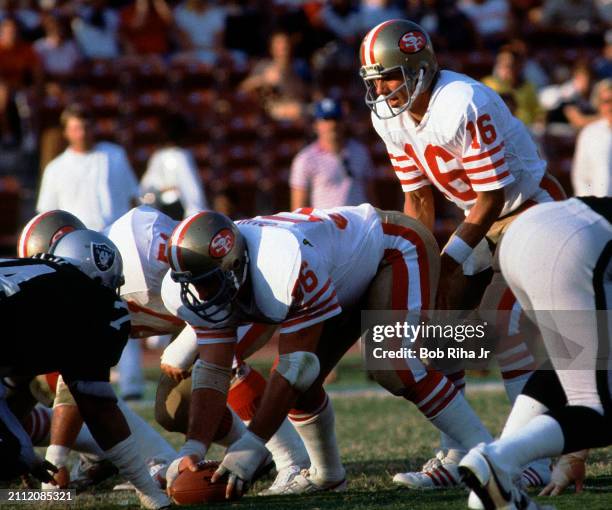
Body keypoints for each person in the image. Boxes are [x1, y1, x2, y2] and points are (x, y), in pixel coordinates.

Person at [162, 205, 496, 496]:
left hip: (391, 248)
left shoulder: (280, 263)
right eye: (191, 282)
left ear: (233, 263)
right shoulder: (217, 280)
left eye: (205, 281)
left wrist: (248, 447)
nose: (197, 292)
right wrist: (194, 447)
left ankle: (489, 455)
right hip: (339, 273)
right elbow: (214, 369)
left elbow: (294, 368)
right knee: (302, 386)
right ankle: (327, 475)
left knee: (392, 366)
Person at [359, 19, 565, 487]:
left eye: (387, 76)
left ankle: (533, 458)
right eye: (373, 81)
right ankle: (458, 449)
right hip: (479, 217)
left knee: (505, 324)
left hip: (529, 212)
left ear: (419, 68)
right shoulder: (389, 116)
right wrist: (421, 263)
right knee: (437, 323)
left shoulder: (460, 102)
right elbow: (419, 200)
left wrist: (448, 261)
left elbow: (493, 196)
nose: (380, 89)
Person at [17, 207, 310, 495]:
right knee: (174, 408)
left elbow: (212, 272)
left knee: (218, 364)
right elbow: (77, 379)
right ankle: (240, 454)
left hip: (239, 299)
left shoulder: (137, 243)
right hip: (204, 321)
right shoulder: (78, 296)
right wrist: (55, 461)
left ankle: (292, 460)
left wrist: (185, 345)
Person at [459, 196, 612, 509]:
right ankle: (497, 459)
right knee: (603, 414)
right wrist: (575, 447)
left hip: (525, 231)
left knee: (573, 358)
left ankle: (491, 487)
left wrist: (573, 450)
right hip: (573, 243)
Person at [0, 229, 170, 509]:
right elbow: (97, 407)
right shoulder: (91, 300)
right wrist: (149, 491)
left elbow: (15, 386)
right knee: (12, 453)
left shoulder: (30, 280)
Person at [36, 104, 140, 232]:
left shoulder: (115, 155)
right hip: (78, 240)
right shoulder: (54, 169)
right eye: (76, 129)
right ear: (66, 132)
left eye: (86, 127)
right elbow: (48, 213)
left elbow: (133, 197)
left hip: (117, 235)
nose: (82, 134)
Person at [290, 97, 376, 210]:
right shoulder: (305, 159)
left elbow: (371, 193)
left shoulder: (360, 151)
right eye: (326, 119)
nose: (332, 125)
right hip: (326, 224)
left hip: (359, 222)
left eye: (336, 119)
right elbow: (298, 207)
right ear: (316, 125)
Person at [140, 112, 209, 220]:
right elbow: (191, 190)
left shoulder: (157, 156)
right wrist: (197, 217)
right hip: (174, 211)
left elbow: (146, 188)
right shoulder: (180, 156)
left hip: (166, 211)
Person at [571, 78, 612, 197]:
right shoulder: (589, 133)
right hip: (598, 205)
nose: (610, 106)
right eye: (606, 101)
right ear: (599, 104)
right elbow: (580, 175)